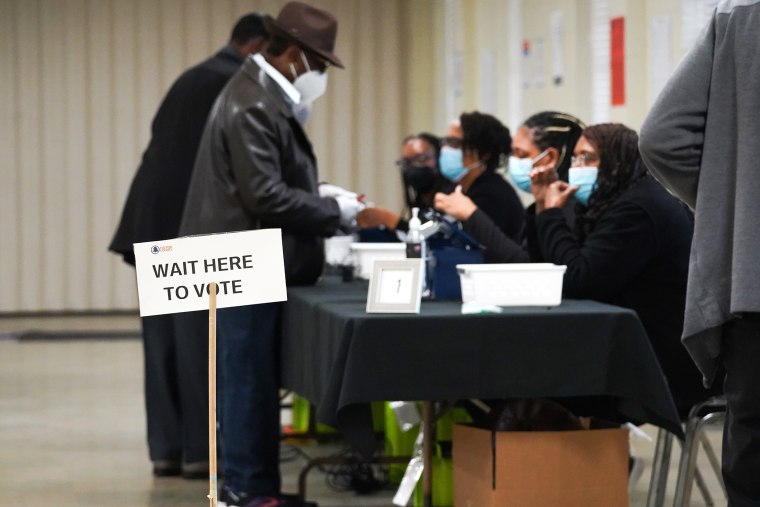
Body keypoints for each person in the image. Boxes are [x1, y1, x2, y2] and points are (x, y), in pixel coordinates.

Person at [178, 3, 361, 506]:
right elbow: (264, 195)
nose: (320, 77)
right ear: (296, 57)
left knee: (251, 380)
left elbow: (267, 182)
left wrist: (319, 192)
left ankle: (255, 488)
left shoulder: (259, 97)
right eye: (319, 66)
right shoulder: (254, 102)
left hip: (249, 256)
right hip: (242, 259)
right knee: (244, 382)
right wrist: (333, 209)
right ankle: (246, 492)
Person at [108, 13, 268, 479]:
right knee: (199, 341)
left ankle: (168, 448)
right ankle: (201, 450)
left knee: (163, 345)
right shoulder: (234, 86)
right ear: (255, 46)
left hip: (156, 222)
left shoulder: (195, 77)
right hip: (192, 225)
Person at [639, 2, 760, 503]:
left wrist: (731, 211)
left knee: (754, 453)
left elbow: (661, 139)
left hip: (752, 287)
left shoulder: (741, 19)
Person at [435, 111, 584, 263]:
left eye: (521, 154)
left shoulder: (571, 210)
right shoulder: (540, 206)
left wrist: (471, 214)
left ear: (550, 158)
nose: (514, 160)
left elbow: (524, 265)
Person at [438, 112, 525, 245]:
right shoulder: (458, 188)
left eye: (454, 143)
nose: (446, 149)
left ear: (484, 153)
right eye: (445, 141)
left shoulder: (493, 194)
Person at [356, 133, 449, 233]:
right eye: (407, 162)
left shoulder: (450, 197)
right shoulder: (419, 201)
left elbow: (429, 235)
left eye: (421, 159)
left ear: (439, 158)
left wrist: (390, 220)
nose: (414, 166)